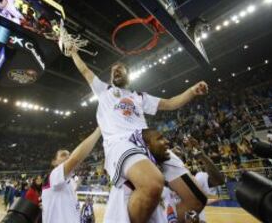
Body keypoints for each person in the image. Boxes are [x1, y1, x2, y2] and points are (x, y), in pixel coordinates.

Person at [70, 50, 208, 223]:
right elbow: (85, 70)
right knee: (152, 183)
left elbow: (170, 103)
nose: (116, 71)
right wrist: (74, 52)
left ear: (129, 75)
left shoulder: (140, 97)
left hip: (148, 140)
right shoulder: (104, 91)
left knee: (197, 200)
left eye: (120, 69)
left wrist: (192, 91)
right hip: (121, 143)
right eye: (114, 70)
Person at [104, 129, 208, 223]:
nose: (167, 141)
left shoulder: (167, 180)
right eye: (160, 139)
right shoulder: (126, 186)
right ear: (147, 147)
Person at [42, 128, 101, 223]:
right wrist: (98, 130)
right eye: (63, 155)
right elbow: (75, 159)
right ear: (54, 162)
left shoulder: (71, 181)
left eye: (69, 155)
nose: (68, 157)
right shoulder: (53, 175)